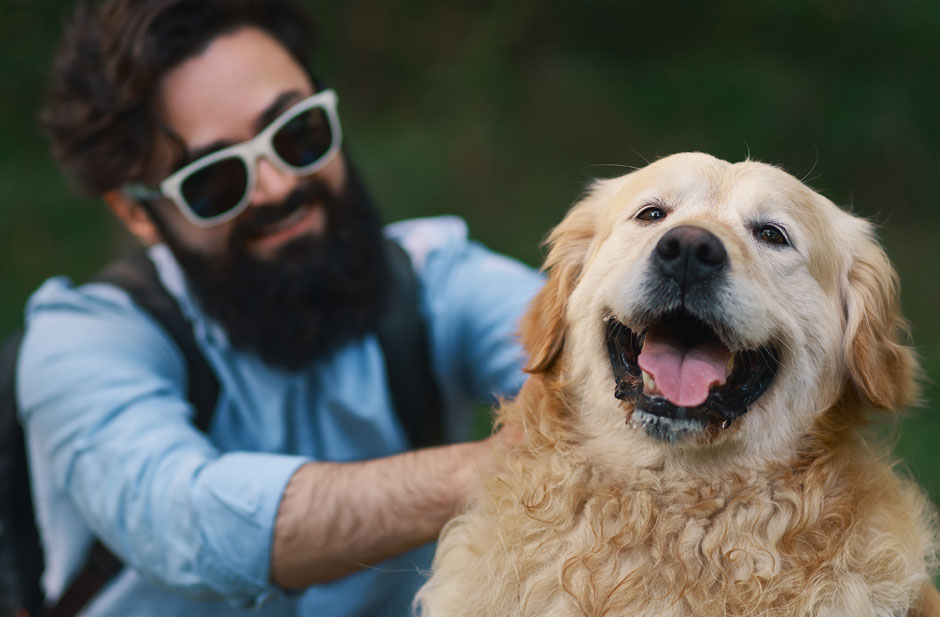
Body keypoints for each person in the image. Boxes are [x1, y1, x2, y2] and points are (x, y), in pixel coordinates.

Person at [17, 0, 542, 615]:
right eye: (214, 180)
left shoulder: (436, 284)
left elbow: (589, 364)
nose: (279, 187)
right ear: (135, 212)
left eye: (298, 135)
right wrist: (492, 470)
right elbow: (184, 520)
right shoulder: (83, 343)